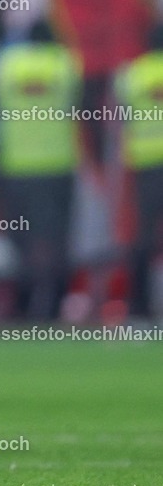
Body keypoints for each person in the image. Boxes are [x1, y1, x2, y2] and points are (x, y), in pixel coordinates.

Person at [0, 18, 83, 320]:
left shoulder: (4, 64)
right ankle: (53, 301)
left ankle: (24, 300)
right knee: (55, 236)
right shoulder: (65, 63)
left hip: (15, 165)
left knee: (21, 235)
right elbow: (77, 100)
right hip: (57, 164)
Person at [114, 24, 163, 318]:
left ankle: (138, 306)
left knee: (143, 235)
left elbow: (121, 121)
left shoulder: (132, 75)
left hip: (144, 164)